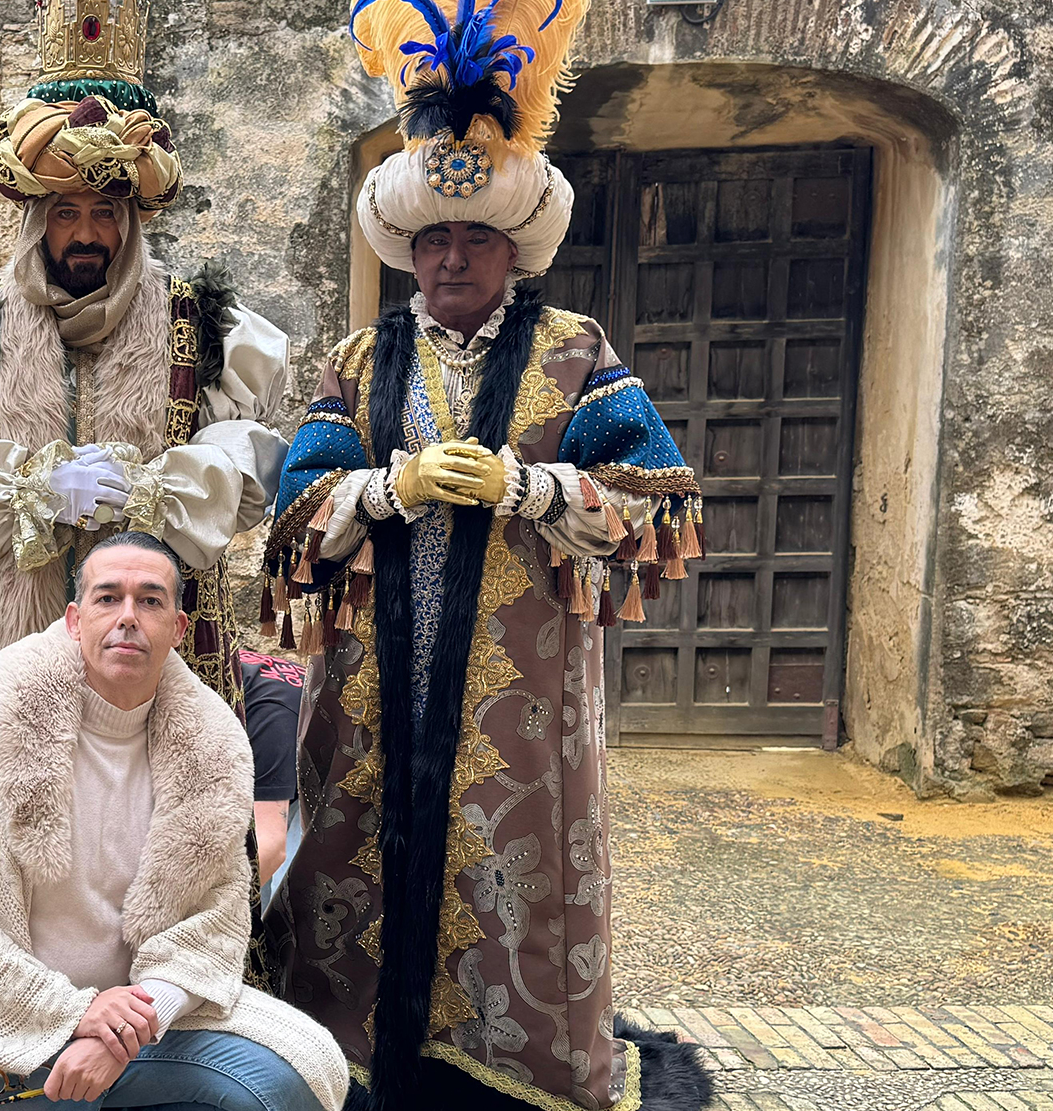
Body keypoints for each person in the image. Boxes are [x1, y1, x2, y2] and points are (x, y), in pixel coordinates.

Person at [262, 1, 714, 1108]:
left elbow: (657, 496)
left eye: (474, 239)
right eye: (434, 240)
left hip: (521, 682)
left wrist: (533, 487)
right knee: (348, 849)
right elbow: (295, 509)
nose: (452, 257)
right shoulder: (358, 361)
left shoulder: (573, 354)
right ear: (408, 249)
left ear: (513, 249)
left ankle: (508, 1063)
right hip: (370, 680)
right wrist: (390, 486)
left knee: (514, 860)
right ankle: (347, 1048)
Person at [0, 531, 349, 1111]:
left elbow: (217, 919)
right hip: (0, 1025)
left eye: (150, 600)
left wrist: (125, 1028)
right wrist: (75, 1013)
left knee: (295, 1078)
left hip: (140, 1022)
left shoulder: (212, 747)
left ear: (178, 628)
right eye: (108, 598)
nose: (127, 617)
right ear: (74, 620)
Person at [0, 0, 289, 723]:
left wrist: (145, 492)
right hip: (9, 634)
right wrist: (31, 489)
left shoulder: (205, 328)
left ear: (130, 222)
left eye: (104, 212)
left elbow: (249, 470)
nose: (85, 233)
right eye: (65, 213)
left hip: (158, 640)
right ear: (36, 221)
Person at [238, 649, 305, 886]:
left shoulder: (269, 717)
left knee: (284, 892)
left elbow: (271, 847)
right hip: (276, 755)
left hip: (329, 781)